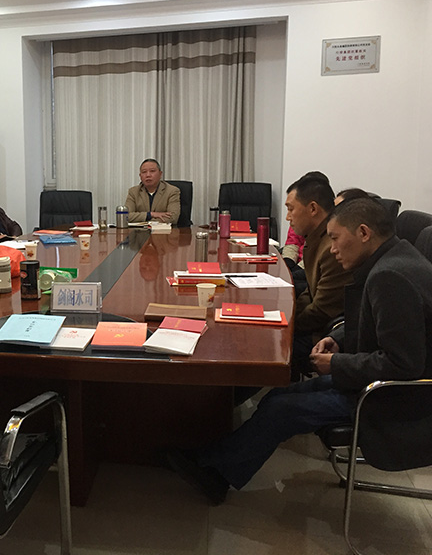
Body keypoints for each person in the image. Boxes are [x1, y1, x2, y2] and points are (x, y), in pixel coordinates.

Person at [167, 197, 432, 504]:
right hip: (377, 382)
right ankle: (215, 460)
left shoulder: (390, 277)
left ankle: (215, 473)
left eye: (336, 239)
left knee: (282, 409)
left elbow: (403, 364)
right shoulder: (395, 259)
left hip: (394, 398)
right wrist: (338, 339)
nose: (332, 249)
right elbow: (377, 323)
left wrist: (336, 363)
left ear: (363, 233)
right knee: (278, 396)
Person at [283, 174, 351, 377]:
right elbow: (310, 291)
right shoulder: (316, 237)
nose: (287, 217)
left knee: (262, 349)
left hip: (324, 337)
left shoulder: (332, 247)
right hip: (315, 325)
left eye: (291, 209)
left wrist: (286, 327)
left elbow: (322, 311)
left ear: (313, 208)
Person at [125, 159, 180, 224]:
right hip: (139, 230)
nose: (148, 175)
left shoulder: (172, 191)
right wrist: (150, 214)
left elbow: (173, 217)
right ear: (140, 176)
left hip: (163, 230)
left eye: (152, 171)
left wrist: (146, 222)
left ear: (160, 174)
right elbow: (126, 216)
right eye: (144, 172)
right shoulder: (133, 192)